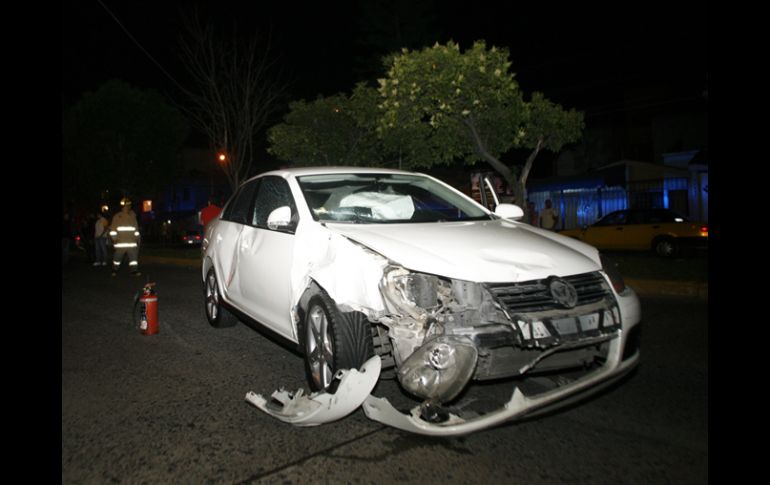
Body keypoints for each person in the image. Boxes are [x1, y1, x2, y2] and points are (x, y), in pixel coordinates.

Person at [109, 197, 141, 276]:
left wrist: (137, 238)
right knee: (117, 258)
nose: (128, 207)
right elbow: (113, 230)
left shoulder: (133, 216)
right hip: (120, 242)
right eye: (127, 205)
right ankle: (114, 269)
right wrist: (114, 239)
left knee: (133, 258)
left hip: (131, 242)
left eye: (129, 206)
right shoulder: (117, 216)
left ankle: (134, 270)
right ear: (123, 206)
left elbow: (136, 229)